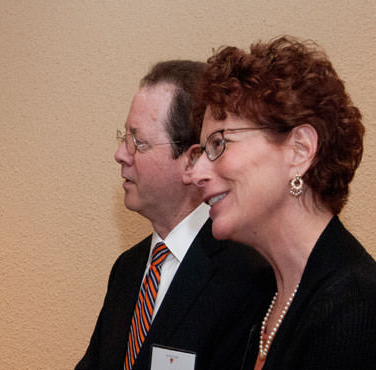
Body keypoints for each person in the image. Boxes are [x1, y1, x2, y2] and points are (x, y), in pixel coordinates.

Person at [188, 36, 376, 370]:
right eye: (201, 151)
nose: (196, 173)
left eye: (219, 144)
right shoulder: (265, 299)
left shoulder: (357, 310)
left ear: (299, 150)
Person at [76, 60, 274, 370]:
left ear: (192, 160)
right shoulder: (127, 268)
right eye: (123, 137)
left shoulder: (246, 274)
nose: (120, 154)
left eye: (138, 143)